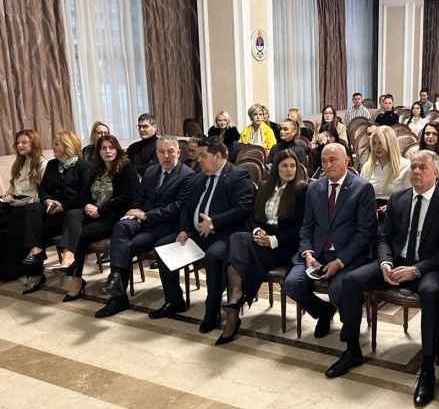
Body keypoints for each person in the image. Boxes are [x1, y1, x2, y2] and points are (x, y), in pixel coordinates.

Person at [327, 150, 439, 407]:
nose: (416, 171)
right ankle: (352, 349)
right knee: (352, 281)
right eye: (413, 167)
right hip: (396, 262)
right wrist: (386, 262)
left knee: (431, 292)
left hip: (430, 268)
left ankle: (428, 369)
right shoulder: (399, 199)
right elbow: (385, 238)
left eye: (423, 167)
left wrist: (416, 270)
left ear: (436, 172)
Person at [152, 136, 254, 334]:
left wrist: (214, 222)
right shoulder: (199, 177)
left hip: (224, 235)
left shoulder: (238, 176)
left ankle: (212, 310)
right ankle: (174, 300)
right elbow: (186, 208)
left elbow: (242, 209)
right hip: (197, 234)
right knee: (163, 246)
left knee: (214, 256)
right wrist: (185, 229)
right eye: (197, 155)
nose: (198, 159)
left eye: (203, 155)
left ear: (217, 156)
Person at [95, 136, 196, 318]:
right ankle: (116, 283)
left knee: (126, 247)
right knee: (122, 226)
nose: (166, 156)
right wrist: (134, 211)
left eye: (170, 151)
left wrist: (146, 215)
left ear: (179, 152)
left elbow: (178, 207)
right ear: (156, 153)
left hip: (167, 226)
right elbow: (139, 197)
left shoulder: (187, 175)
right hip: (145, 222)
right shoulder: (151, 171)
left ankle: (172, 300)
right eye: (161, 152)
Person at [283, 143, 377, 338]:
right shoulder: (314, 187)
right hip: (318, 254)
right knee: (291, 284)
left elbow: (365, 233)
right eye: (324, 161)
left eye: (332, 160)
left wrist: (340, 261)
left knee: (337, 290)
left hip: (349, 255)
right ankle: (324, 311)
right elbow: (307, 226)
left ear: (346, 160)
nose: (327, 165)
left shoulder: (362, 188)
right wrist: (308, 253)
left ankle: (349, 325)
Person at [218, 150, 308, 344]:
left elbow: (300, 228)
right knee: (236, 238)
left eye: (293, 166)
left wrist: (273, 240)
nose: (289, 170)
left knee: (240, 256)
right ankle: (235, 299)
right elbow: (252, 217)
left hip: (284, 245)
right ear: (276, 168)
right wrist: (257, 230)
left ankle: (234, 303)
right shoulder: (265, 187)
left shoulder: (302, 190)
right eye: (284, 166)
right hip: (263, 238)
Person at [55, 135, 138, 301]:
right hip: (94, 211)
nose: (108, 151)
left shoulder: (127, 168)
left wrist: (100, 210)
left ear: (117, 149)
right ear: (98, 151)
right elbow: (85, 193)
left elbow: (126, 197)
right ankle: (69, 256)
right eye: (103, 148)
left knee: (78, 235)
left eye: (111, 147)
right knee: (72, 214)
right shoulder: (96, 168)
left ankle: (76, 279)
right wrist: (87, 205)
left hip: (114, 215)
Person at [22, 131, 92, 294]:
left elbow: (84, 194)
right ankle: (37, 251)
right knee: (32, 209)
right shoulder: (53, 164)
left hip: (72, 211)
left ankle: (40, 270)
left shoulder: (83, 166)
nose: (52, 147)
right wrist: (47, 200)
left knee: (36, 230)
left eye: (56, 144)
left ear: (67, 146)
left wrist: (64, 206)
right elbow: (43, 189)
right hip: (53, 208)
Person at [0, 130, 48, 281]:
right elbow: (12, 188)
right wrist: (8, 195)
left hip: (31, 205)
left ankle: (16, 268)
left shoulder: (42, 164)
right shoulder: (18, 164)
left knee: (8, 222)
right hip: (14, 201)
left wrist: (23, 202)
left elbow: (45, 194)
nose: (20, 145)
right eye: (18, 143)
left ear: (33, 144)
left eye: (24, 142)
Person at [360, 126, 411, 203]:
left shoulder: (406, 166)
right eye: (374, 143)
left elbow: (408, 197)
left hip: (396, 207)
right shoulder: (367, 167)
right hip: (371, 207)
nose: (377, 147)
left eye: (381, 143)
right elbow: (362, 195)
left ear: (391, 144)